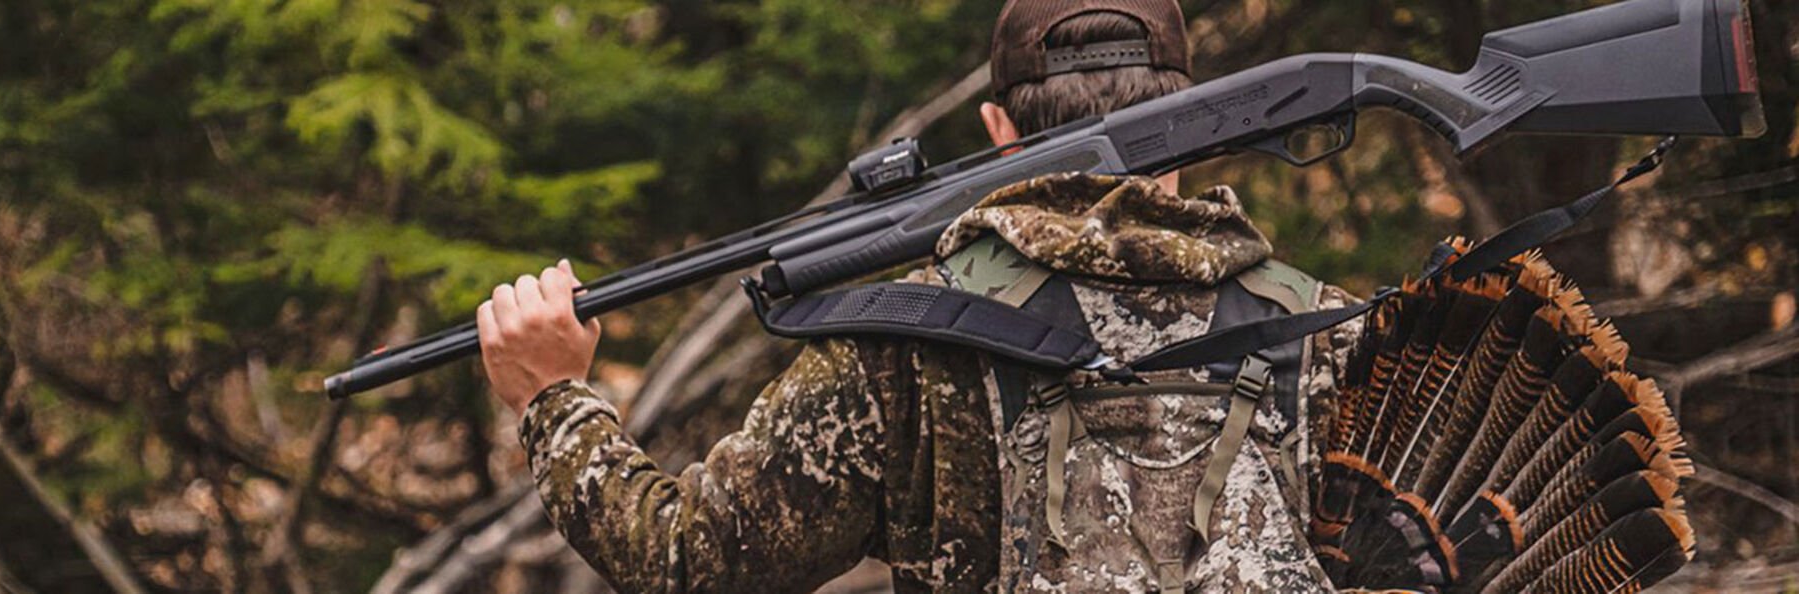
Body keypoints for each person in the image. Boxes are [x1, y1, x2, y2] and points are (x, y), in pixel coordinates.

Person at [476, 1, 1362, 591]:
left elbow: (689, 562)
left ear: (998, 130)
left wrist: (554, 398)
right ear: (1200, 119)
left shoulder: (904, 345)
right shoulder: (1332, 329)